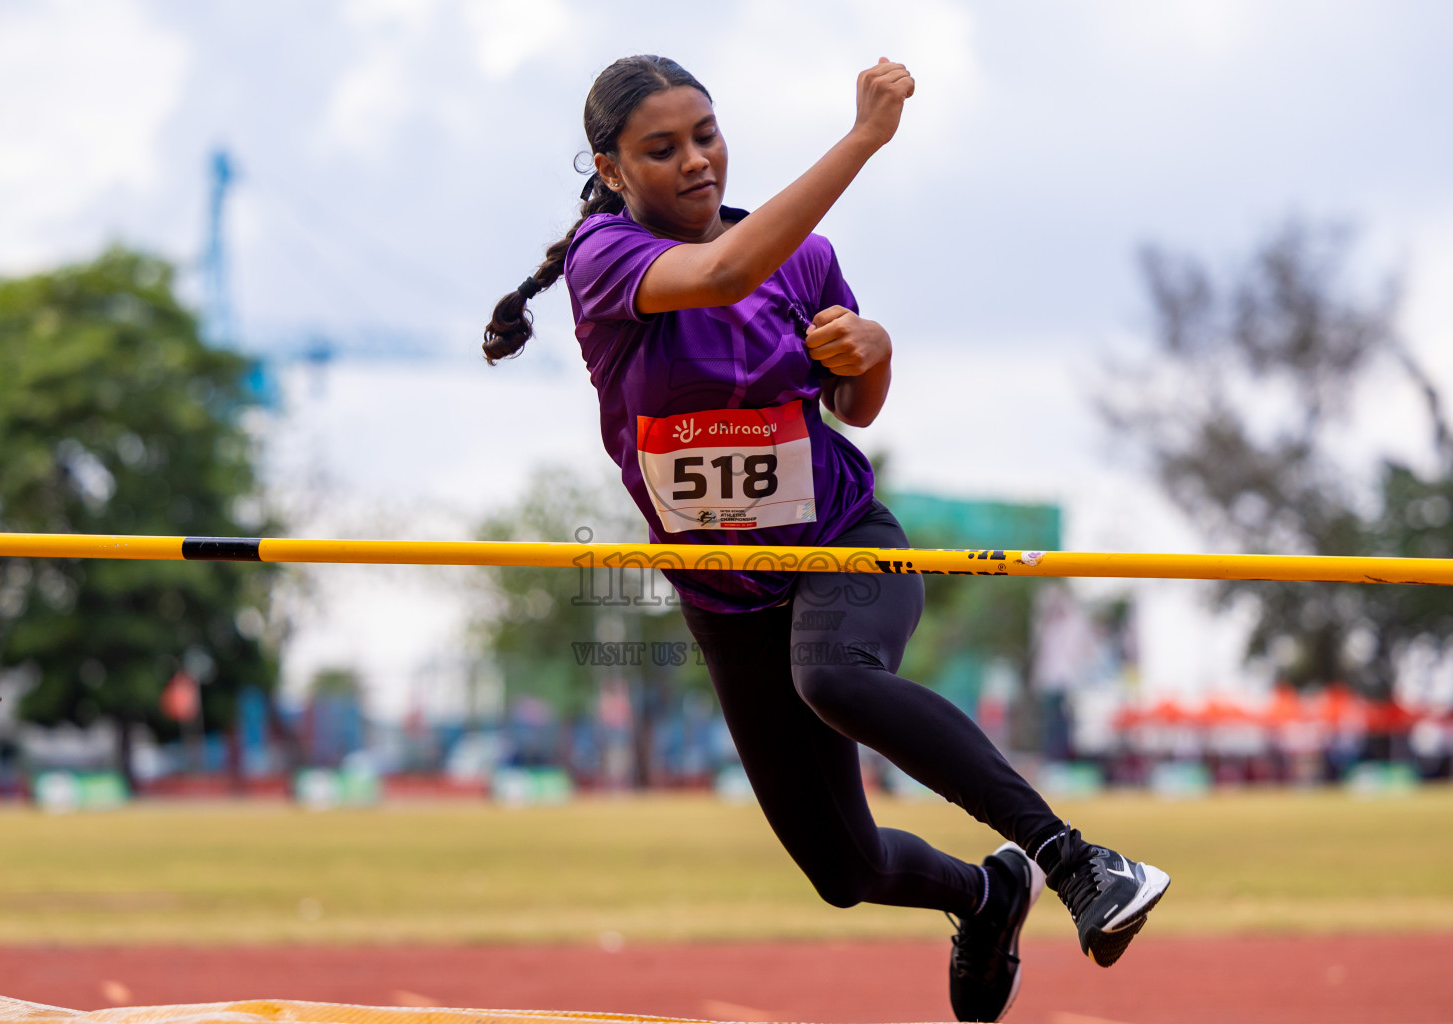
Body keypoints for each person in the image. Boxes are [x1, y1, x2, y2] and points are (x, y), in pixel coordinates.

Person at [484, 54, 1169, 1023]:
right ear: (609, 169)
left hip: (847, 543)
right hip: (726, 599)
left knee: (835, 675)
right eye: (661, 149)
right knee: (841, 868)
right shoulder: (607, 259)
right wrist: (862, 139)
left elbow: (852, 406)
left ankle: (1077, 861)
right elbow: (724, 271)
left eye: (706, 135)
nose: (695, 162)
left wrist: (874, 351)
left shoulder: (802, 256)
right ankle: (989, 895)